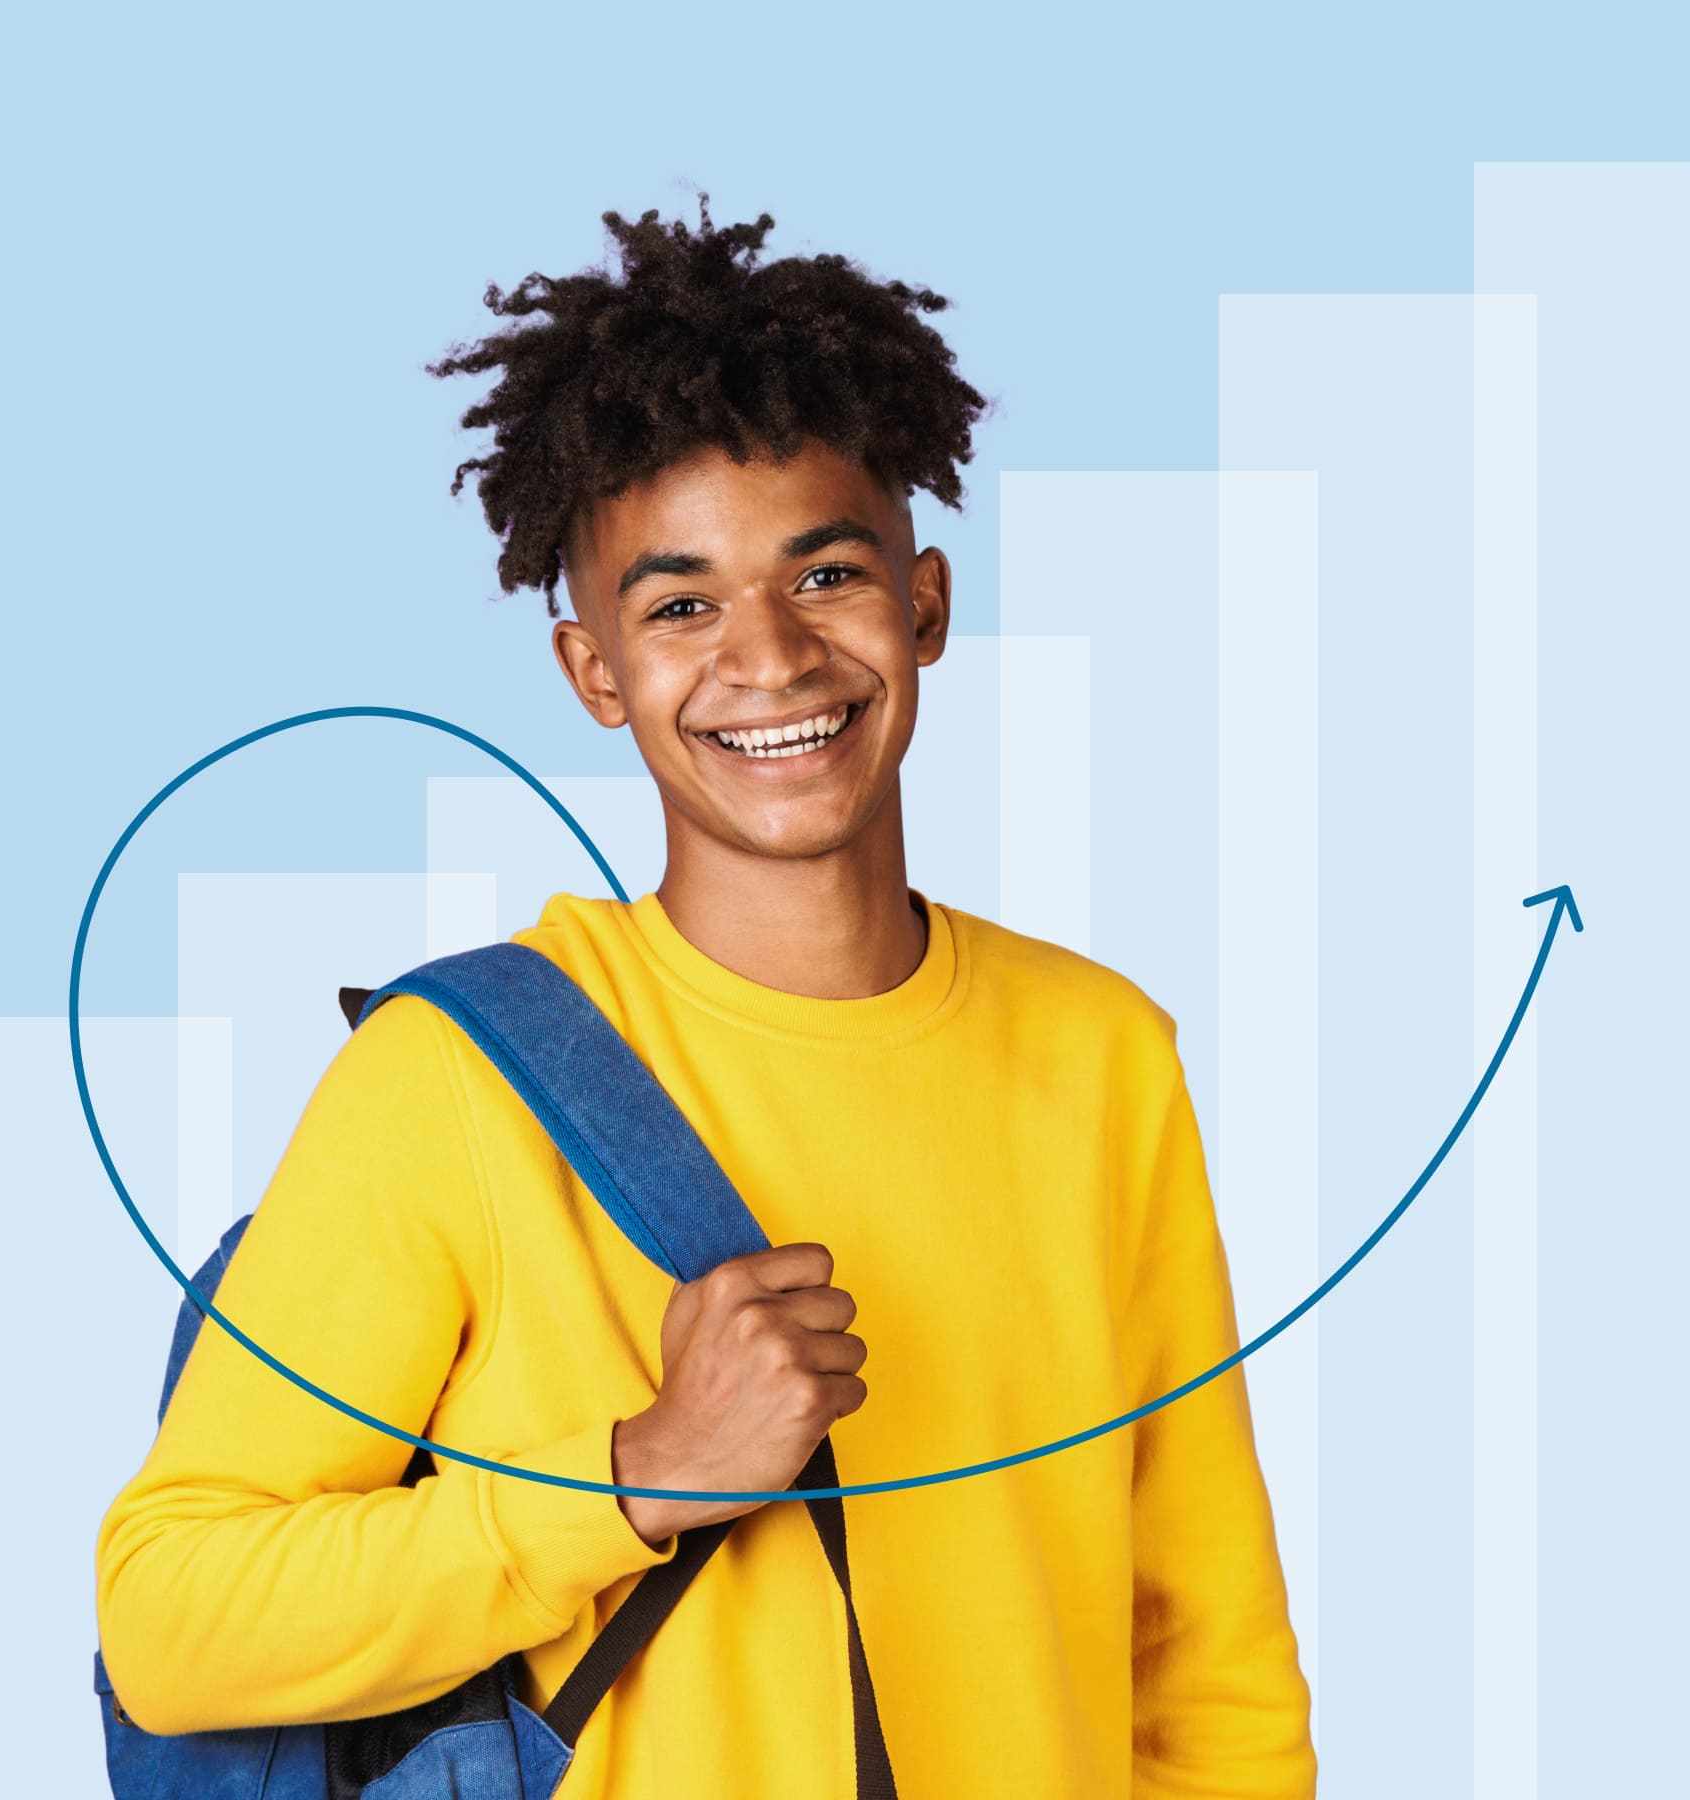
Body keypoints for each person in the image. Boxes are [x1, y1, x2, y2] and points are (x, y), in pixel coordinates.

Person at [96, 197, 1317, 1798]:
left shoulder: (1101, 1055)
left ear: (926, 603)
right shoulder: (456, 1078)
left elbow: (1206, 1658)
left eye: (824, 573)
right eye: (678, 605)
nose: (769, 657)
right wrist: (637, 1480)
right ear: (595, 672)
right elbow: (170, 1617)